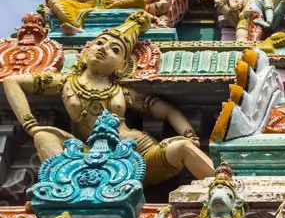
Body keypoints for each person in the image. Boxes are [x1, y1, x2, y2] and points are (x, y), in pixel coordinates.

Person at [2, 11, 215, 185]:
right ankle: (60, 187)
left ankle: (223, 191)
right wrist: (31, 126)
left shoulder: (121, 91)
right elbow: (13, 82)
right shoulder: (65, 82)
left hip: (138, 157)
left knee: (183, 148)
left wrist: (189, 135)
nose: (104, 49)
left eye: (114, 49)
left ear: (122, 64)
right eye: (99, 43)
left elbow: (167, 110)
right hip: (86, 158)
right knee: (43, 136)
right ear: (86, 52)